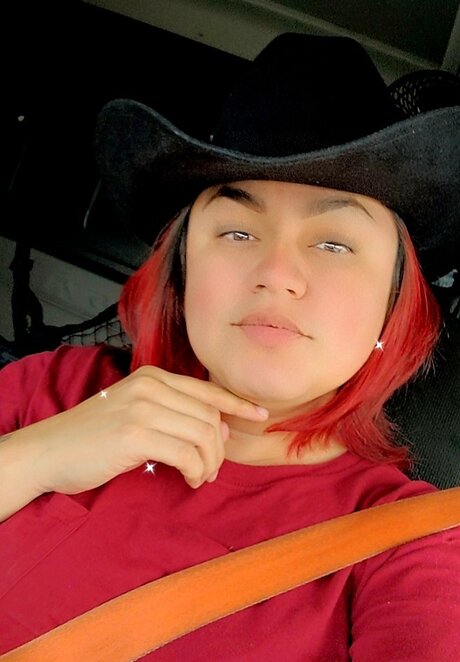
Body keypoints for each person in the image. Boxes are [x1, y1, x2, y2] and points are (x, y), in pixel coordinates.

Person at [0, 33, 459, 661]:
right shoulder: (54, 389)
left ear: (393, 301)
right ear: (184, 270)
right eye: (238, 232)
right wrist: (34, 459)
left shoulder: (412, 546)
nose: (276, 274)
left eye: (334, 244)